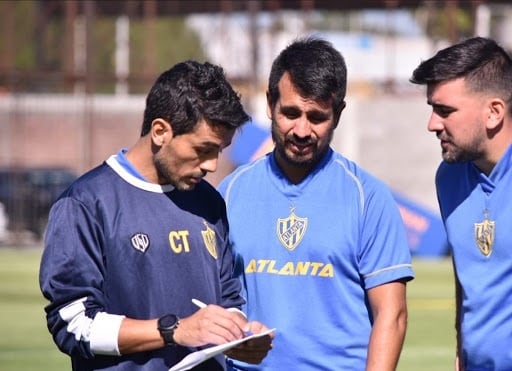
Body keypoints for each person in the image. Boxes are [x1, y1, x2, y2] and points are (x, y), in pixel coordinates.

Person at [39, 60, 273, 371]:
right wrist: (174, 330)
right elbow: (73, 325)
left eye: (220, 150)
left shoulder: (209, 202)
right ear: (160, 131)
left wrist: (238, 332)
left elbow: (229, 297)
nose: (212, 165)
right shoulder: (86, 204)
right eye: (203, 149)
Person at [218, 37, 414, 370]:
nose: (302, 129)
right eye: (290, 113)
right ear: (270, 104)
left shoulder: (368, 198)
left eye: (317, 117)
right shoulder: (229, 193)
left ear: (338, 114)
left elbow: (391, 315)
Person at [410, 37, 512, 370]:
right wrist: (461, 343)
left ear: (494, 112)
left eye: (445, 111)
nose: (432, 124)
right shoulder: (449, 177)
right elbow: (465, 271)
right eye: (432, 109)